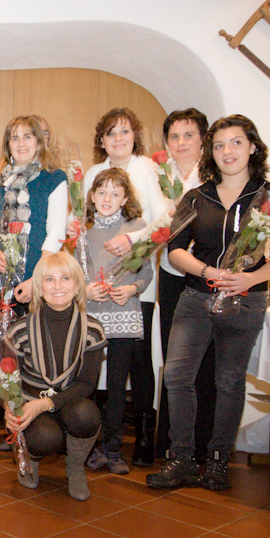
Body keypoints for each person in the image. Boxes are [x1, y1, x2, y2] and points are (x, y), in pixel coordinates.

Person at [147, 115, 270, 491]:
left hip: (246, 301)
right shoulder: (197, 196)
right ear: (210, 153)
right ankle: (180, 458)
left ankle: (217, 461)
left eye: (235, 143)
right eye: (219, 145)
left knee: (229, 382)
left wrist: (251, 277)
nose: (227, 152)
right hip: (196, 298)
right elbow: (175, 249)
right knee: (179, 377)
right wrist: (206, 271)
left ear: (252, 147)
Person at [79, 108, 169, 468]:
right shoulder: (93, 175)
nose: (118, 138)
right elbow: (81, 251)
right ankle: (90, 440)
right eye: (111, 132)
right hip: (96, 301)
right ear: (101, 139)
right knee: (94, 374)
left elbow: (162, 221)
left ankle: (134, 440)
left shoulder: (146, 168)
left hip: (131, 295)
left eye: (125, 132)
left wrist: (132, 239)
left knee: (134, 367)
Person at [3, 252, 106, 500]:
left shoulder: (93, 329)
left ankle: (75, 467)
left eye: (65, 278)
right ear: (39, 286)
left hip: (69, 402)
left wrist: (47, 403)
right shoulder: (19, 328)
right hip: (30, 404)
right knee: (44, 436)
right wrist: (9, 407)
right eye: (49, 280)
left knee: (87, 413)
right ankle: (29, 460)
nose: (58, 286)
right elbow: (6, 379)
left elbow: (87, 385)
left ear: (78, 284)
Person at [152, 108, 216, 467]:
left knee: (206, 362)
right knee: (174, 361)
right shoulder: (159, 177)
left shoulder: (213, 177)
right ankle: (171, 445)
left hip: (207, 276)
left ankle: (205, 446)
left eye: (188, 135)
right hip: (172, 274)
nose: (181, 143)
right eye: (174, 137)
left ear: (202, 141)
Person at [78, 169, 152, 475]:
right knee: (91, 386)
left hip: (124, 315)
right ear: (92, 197)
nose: (108, 199)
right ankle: (92, 446)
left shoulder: (136, 229)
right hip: (93, 317)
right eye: (102, 192)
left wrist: (133, 288)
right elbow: (76, 278)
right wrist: (85, 290)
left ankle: (113, 447)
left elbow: (147, 271)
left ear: (125, 199)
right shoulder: (84, 234)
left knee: (118, 385)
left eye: (115, 193)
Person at [0, 115, 68, 310]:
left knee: (35, 339)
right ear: (8, 145)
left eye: (27, 137)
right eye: (15, 138)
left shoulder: (54, 177)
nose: (21, 143)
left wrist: (37, 278)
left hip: (37, 278)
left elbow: (56, 231)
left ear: (39, 142)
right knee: (1, 340)